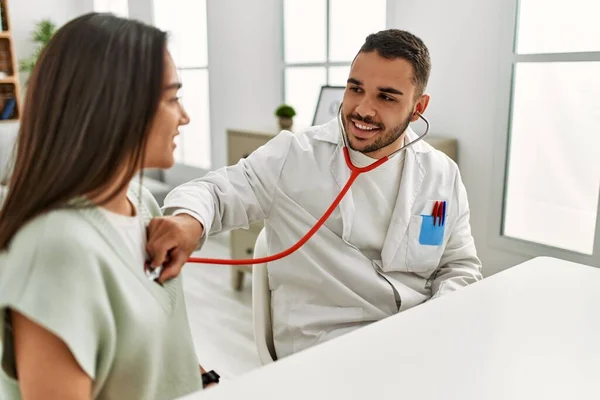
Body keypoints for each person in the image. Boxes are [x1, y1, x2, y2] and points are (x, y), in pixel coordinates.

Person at [147, 29, 483, 359]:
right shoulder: (295, 156)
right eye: (355, 89)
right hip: (326, 347)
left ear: (418, 107)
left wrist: (437, 321)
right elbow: (217, 192)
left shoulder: (442, 173)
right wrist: (188, 221)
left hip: (415, 340)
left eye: (386, 96)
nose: (363, 109)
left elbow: (460, 267)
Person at [0, 13, 215, 399]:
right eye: (172, 98)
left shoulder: (141, 201)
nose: (185, 117)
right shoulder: (54, 252)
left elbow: (159, 343)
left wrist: (203, 379)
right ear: (115, 108)